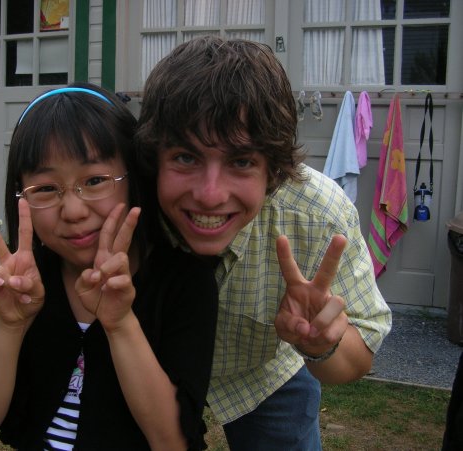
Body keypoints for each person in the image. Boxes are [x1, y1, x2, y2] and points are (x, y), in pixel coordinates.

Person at [135, 36, 392, 450]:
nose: (210, 195)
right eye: (185, 157)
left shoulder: (320, 216)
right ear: (153, 158)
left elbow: (360, 354)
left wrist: (320, 344)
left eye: (241, 161)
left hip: (263, 375)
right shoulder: (123, 201)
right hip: (148, 366)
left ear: (274, 170)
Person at [0, 83, 218, 450]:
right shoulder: (27, 281)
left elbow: (171, 442)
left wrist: (120, 324)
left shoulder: (184, 281)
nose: (73, 211)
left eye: (94, 181)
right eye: (46, 189)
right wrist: (9, 325)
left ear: (134, 179)